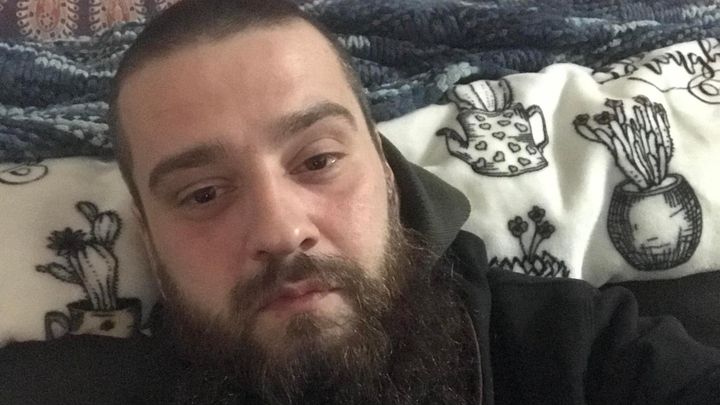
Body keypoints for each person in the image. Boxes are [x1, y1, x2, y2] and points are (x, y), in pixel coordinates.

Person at [2, 0, 719, 404]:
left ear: (387, 172)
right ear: (148, 240)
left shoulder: (574, 350)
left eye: (317, 160)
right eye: (204, 193)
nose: (281, 228)